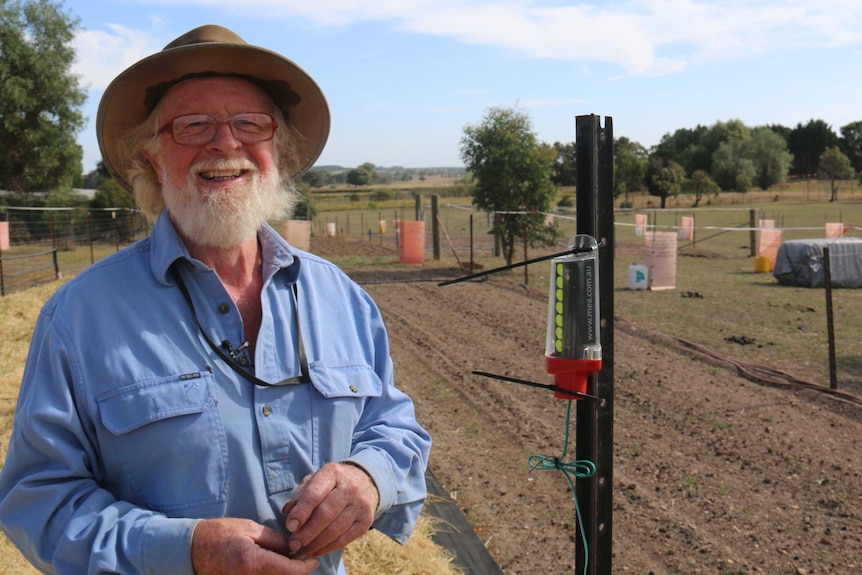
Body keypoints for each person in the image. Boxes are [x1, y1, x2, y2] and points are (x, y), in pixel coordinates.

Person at [0, 24, 431, 575]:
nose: (225, 143)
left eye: (249, 123)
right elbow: (39, 501)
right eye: (192, 125)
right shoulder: (79, 317)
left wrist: (370, 479)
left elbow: (394, 429)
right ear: (154, 161)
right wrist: (187, 550)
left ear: (278, 149)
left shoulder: (342, 299)